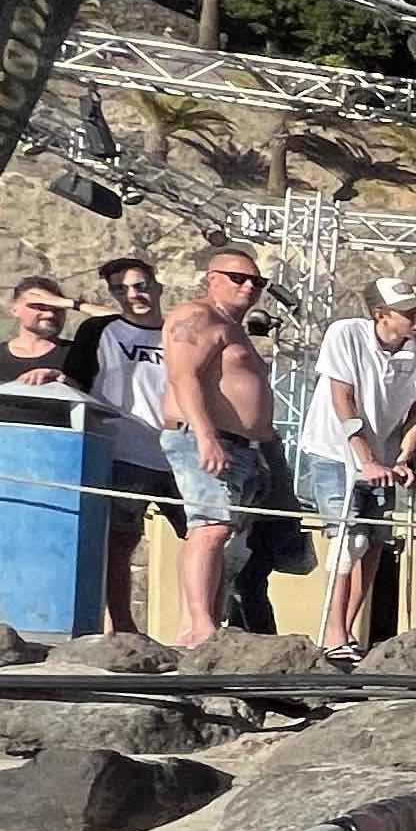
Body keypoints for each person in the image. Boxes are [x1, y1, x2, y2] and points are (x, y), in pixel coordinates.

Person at [297, 279, 416, 664]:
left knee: (374, 542)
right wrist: (365, 459)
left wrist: (405, 459)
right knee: (348, 541)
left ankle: (348, 629)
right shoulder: (346, 334)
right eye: (407, 313)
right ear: (381, 315)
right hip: (333, 451)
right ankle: (333, 633)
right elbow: (343, 399)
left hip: (383, 454)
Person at [160, 243, 282, 646]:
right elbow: (184, 376)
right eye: (238, 278)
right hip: (205, 438)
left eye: (257, 281)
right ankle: (196, 623)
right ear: (212, 279)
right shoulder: (198, 316)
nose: (250, 287)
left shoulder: (235, 329)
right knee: (209, 527)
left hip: (243, 447)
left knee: (226, 535)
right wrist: (206, 435)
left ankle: (208, 619)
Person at [62, 258, 178, 636]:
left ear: (157, 287)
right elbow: (74, 380)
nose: (133, 295)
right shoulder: (100, 330)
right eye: (121, 289)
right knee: (121, 540)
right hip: (124, 450)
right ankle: (122, 626)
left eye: (141, 285)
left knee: (207, 537)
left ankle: (205, 624)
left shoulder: (180, 332)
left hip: (182, 451)